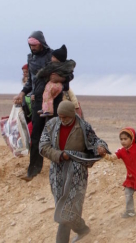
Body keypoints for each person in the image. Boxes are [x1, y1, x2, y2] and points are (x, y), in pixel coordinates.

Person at [39, 101, 109, 243]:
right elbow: (43, 146)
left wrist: (101, 147)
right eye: (60, 116)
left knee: (67, 207)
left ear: (72, 115)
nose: (62, 119)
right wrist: (60, 155)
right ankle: (82, 229)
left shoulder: (83, 126)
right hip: (57, 171)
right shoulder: (51, 125)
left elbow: (95, 141)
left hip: (77, 172)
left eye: (65, 117)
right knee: (61, 204)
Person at [13, 31, 73, 181]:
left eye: (35, 45)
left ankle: (60, 169)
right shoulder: (30, 58)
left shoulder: (53, 55)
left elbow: (69, 74)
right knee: (36, 135)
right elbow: (30, 82)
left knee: (56, 133)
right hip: (37, 101)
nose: (32, 48)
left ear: (41, 43)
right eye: (30, 45)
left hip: (55, 99)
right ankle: (33, 170)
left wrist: (61, 78)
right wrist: (22, 93)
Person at [37, 45, 75, 117]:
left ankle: (48, 110)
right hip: (60, 87)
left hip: (54, 86)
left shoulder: (53, 66)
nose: (51, 58)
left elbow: (43, 72)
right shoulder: (66, 66)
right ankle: (45, 109)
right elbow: (70, 74)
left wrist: (39, 74)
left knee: (48, 96)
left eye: (53, 57)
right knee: (49, 97)